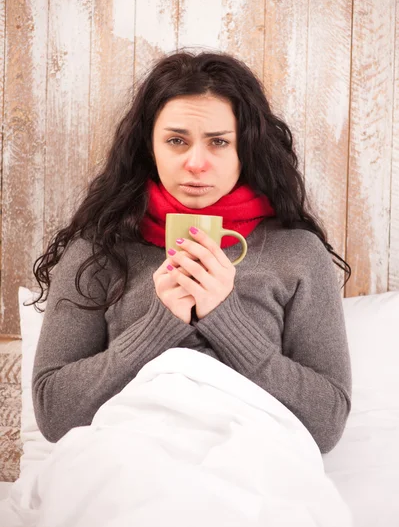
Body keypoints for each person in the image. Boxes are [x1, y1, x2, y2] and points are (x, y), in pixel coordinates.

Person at [30, 50, 352, 454]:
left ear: (245, 149)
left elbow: (326, 424)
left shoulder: (297, 253)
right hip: (124, 469)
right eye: (176, 141)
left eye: (218, 142)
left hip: (256, 477)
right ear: (150, 148)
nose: (196, 163)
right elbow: (55, 415)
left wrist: (224, 317)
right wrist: (159, 324)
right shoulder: (99, 249)